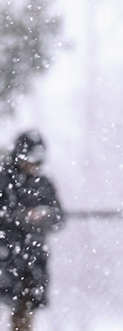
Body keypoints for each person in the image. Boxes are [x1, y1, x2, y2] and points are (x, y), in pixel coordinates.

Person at [0, 130, 64, 331]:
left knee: (24, 314)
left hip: (32, 260)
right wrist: (21, 216)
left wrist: (44, 216)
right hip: (5, 257)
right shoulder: (5, 181)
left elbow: (59, 217)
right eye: (29, 160)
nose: (33, 166)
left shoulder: (44, 185)